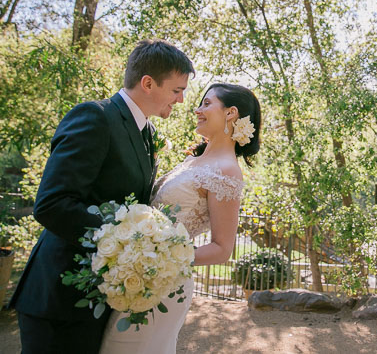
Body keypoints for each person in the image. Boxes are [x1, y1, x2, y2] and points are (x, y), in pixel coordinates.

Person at [10, 39, 195, 353]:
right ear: (148, 83)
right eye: (177, 90)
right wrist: (128, 240)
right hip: (59, 300)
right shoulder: (95, 117)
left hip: (100, 297)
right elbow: (52, 204)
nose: (180, 100)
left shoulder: (148, 134)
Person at [99, 83, 261, 354]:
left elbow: (222, 249)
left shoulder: (227, 172)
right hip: (139, 274)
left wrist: (161, 258)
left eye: (207, 104)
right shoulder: (193, 161)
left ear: (231, 113)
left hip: (164, 282)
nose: (197, 109)